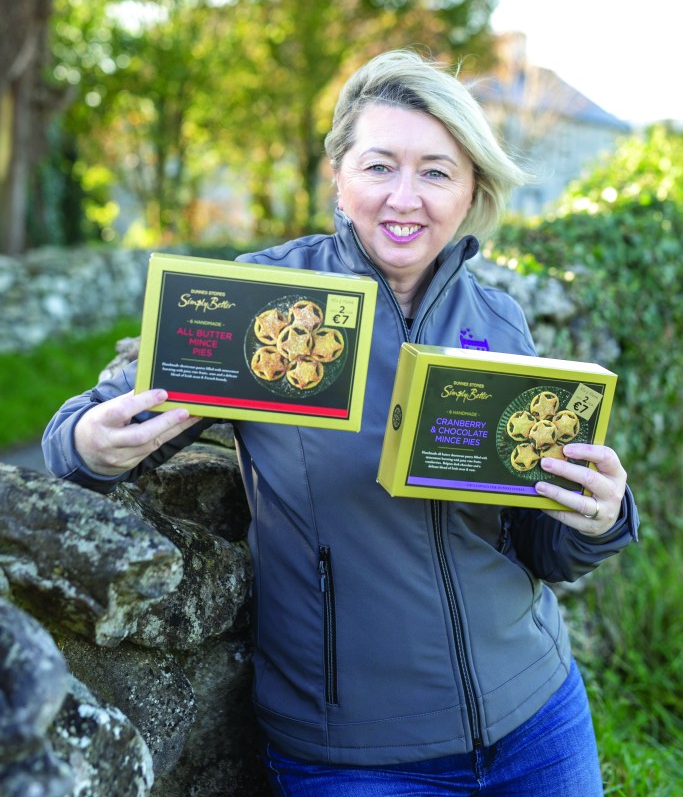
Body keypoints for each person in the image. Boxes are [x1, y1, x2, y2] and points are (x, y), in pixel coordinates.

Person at [43, 50, 638, 796]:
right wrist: (89, 443)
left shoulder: (498, 319)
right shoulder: (267, 298)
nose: (404, 198)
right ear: (338, 175)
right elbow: (77, 433)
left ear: (471, 190)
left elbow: (536, 543)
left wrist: (595, 519)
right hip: (354, 756)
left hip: (538, 719)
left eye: (436, 172)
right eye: (379, 166)